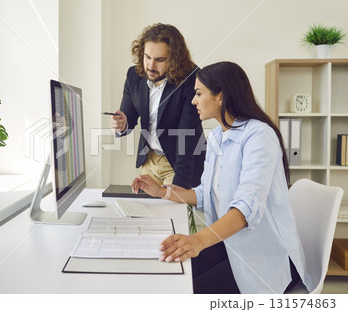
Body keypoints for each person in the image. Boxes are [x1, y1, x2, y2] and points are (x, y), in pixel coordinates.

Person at [131, 61, 314, 294]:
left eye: (198, 93)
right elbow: (204, 192)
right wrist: (162, 191)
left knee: (183, 291)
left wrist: (196, 241)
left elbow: (246, 208)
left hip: (265, 257)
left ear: (221, 96)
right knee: (169, 274)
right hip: (230, 245)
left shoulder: (259, 136)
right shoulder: (218, 136)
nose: (193, 100)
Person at [109, 23, 205, 189]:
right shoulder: (134, 75)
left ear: (175, 59)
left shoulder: (191, 79)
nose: (151, 66)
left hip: (178, 162)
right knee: (145, 212)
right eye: (147, 57)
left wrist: (180, 187)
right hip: (149, 160)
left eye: (160, 60)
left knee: (171, 211)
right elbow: (129, 117)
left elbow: (186, 135)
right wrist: (122, 124)